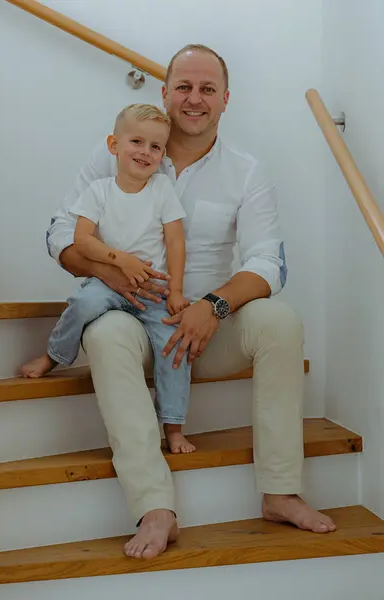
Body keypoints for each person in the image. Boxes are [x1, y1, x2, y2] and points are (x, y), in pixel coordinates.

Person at [46, 44, 337, 559]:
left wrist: (213, 307)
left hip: (204, 332)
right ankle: (154, 506)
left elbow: (270, 263)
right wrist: (105, 272)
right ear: (165, 92)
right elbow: (60, 236)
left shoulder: (246, 171)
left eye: (207, 89)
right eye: (183, 86)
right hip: (133, 322)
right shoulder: (115, 151)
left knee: (280, 322)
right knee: (106, 332)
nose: (194, 99)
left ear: (226, 99)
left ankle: (281, 490)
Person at [22, 104, 196, 454]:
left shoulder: (162, 189)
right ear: (113, 145)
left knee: (175, 348)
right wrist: (120, 261)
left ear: (163, 155)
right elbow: (83, 239)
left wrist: (176, 290)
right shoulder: (99, 191)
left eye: (155, 147)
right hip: (109, 283)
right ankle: (54, 355)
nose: (145, 152)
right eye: (136, 141)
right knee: (84, 302)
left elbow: (176, 241)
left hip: (155, 293)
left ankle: (174, 427)